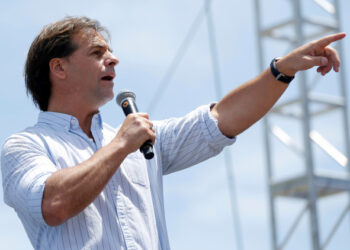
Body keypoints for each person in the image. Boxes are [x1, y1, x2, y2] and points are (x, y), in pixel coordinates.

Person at [1, 16, 345, 250]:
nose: (114, 60)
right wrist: (122, 144)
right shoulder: (26, 147)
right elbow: (54, 203)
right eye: (97, 53)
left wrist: (281, 69)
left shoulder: (143, 137)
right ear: (58, 67)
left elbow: (221, 119)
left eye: (110, 51)